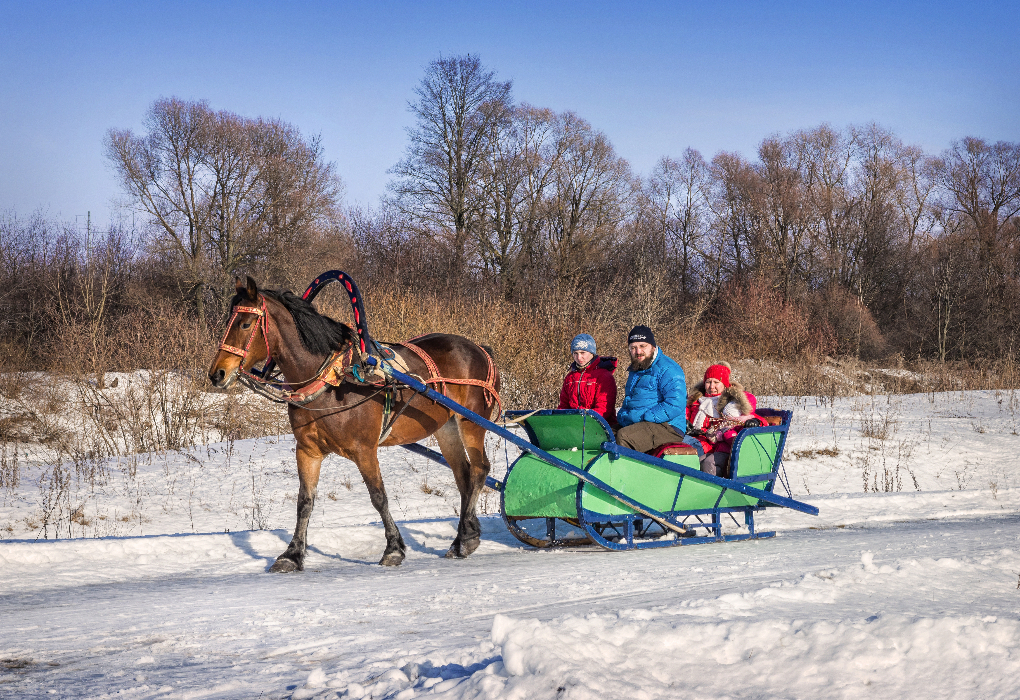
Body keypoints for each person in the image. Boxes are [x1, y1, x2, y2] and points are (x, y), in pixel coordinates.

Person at [615, 325, 693, 454]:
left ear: (653, 347)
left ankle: (630, 473)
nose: (638, 351)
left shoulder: (668, 369)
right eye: (633, 347)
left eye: (642, 346)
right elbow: (630, 400)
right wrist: (624, 416)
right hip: (641, 423)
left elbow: (676, 404)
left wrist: (646, 416)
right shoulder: (637, 368)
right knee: (604, 434)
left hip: (668, 426)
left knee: (624, 437)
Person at [686, 362, 764, 477]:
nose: (711, 386)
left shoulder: (730, 403)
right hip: (698, 439)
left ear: (724, 384)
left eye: (716, 382)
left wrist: (757, 422)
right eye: (708, 382)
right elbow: (684, 415)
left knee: (700, 460)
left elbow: (749, 416)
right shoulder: (696, 400)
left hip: (712, 444)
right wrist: (685, 424)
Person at [557, 333, 618, 425]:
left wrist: (582, 422)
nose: (579, 357)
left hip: (600, 425)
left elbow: (603, 409)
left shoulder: (604, 376)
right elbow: (564, 405)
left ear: (591, 353)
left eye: (582, 353)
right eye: (575, 353)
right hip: (575, 424)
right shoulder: (570, 378)